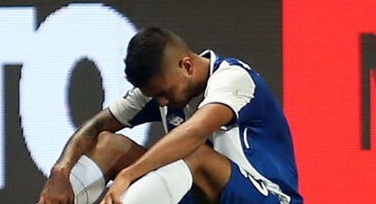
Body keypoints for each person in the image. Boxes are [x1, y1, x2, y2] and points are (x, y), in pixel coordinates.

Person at [36, 27, 303, 204]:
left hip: (268, 199)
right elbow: (94, 128)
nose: (161, 101)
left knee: (193, 153)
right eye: (154, 96)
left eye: (164, 93)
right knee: (110, 145)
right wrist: (60, 172)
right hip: (204, 198)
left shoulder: (234, 78)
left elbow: (194, 134)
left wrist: (128, 176)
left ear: (186, 65)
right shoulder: (159, 91)